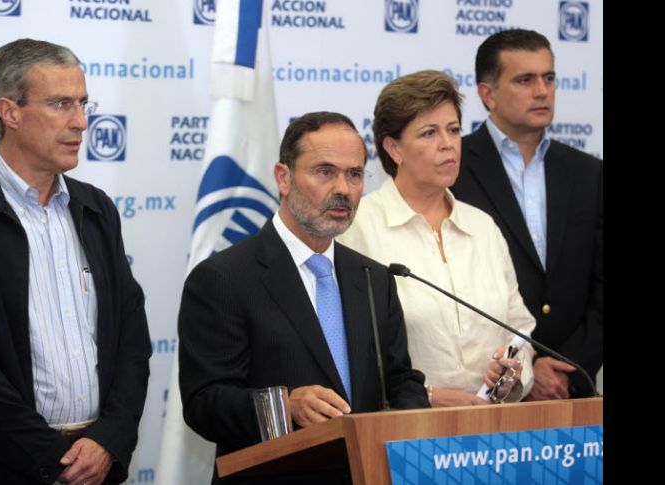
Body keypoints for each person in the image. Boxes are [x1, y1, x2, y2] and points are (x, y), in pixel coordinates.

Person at [178, 112, 429, 484]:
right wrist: (284, 406)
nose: (343, 188)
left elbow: (400, 380)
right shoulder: (224, 278)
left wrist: (414, 430)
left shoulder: (373, 278)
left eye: (354, 174)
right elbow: (205, 403)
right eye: (325, 172)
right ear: (284, 178)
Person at [0, 39, 152, 485]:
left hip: (98, 464)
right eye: (61, 104)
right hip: (0, 469)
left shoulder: (96, 209)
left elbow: (131, 337)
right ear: (10, 112)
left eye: (82, 103)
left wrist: (111, 439)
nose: (81, 122)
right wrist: (49, 456)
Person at [338, 70, 535, 407]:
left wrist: (513, 375)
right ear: (393, 148)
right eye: (429, 133)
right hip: (403, 432)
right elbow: (346, 351)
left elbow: (520, 329)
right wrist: (426, 397)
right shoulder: (358, 229)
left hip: (492, 427)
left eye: (454, 130)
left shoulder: (482, 226)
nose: (448, 144)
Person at [451, 29, 603, 399]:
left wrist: (568, 368)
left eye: (548, 78)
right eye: (525, 80)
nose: (542, 91)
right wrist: (527, 370)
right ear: (488, 94)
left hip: (573, 388)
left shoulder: (589, 172)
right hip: (486, 390)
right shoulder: (452, 170)